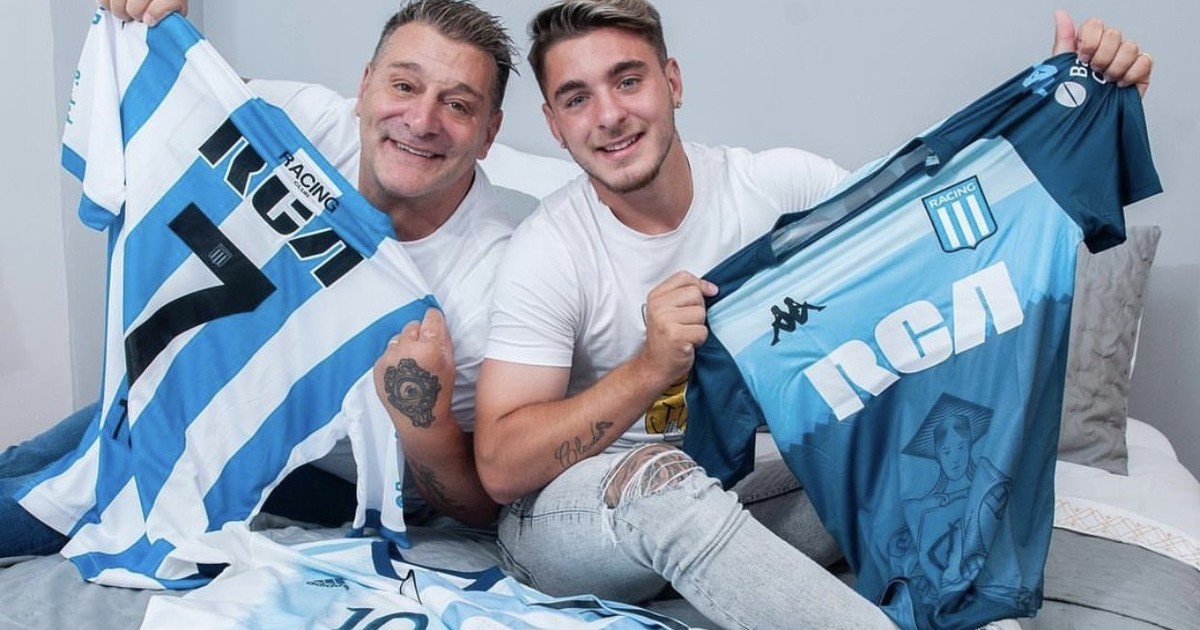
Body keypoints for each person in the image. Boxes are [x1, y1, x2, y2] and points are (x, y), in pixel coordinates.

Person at [473, 1, 1154, 629]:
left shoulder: (777, 188)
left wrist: (1062, 109)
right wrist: (649, 368)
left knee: (905, 459)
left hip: (725, 499)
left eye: (628, 81)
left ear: (672, 82)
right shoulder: (551, 249)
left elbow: (924, 234)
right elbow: (501, 469)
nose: (609, 115)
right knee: (662, 482)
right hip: (572, 529)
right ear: (555, 125)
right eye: (577, 98)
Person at [1, 0, 524, 557]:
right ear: (365, 86)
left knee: (49, 504)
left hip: (317, 472)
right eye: (403, 86)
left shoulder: (496, 283)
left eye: (457, 105)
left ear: (488, 133)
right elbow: (190, 90)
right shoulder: (306, 125)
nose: (421, 121)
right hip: (201, 390)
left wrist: (426, 416)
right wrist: (153, 19)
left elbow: (477, 505)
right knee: (22, 467)